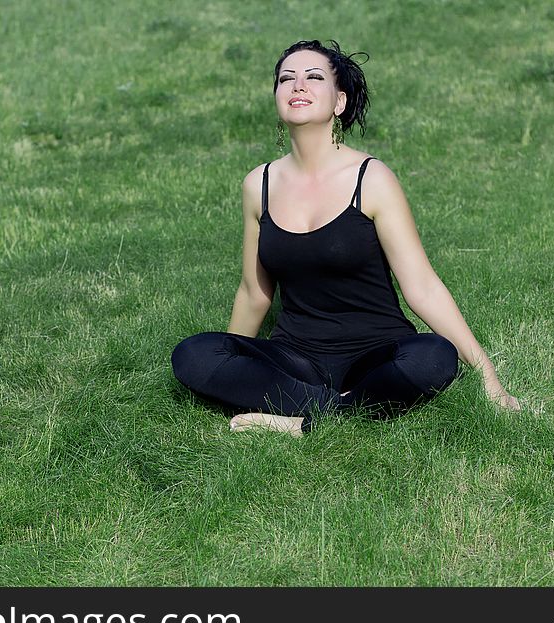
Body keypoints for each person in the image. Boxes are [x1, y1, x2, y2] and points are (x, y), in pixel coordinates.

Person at [171, 39, 521, 436]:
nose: (297, 85)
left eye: (313, 77)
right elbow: (254, 292)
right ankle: (339, 412)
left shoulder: (371, 179)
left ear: (339, 102)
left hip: (375, 354)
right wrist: (233, 362)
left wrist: (489, 378)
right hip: (296, 358)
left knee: (435, 357)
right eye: (286, 79)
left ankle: (302, 422)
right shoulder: (259, 185)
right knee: (192, 354)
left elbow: (421, 287)